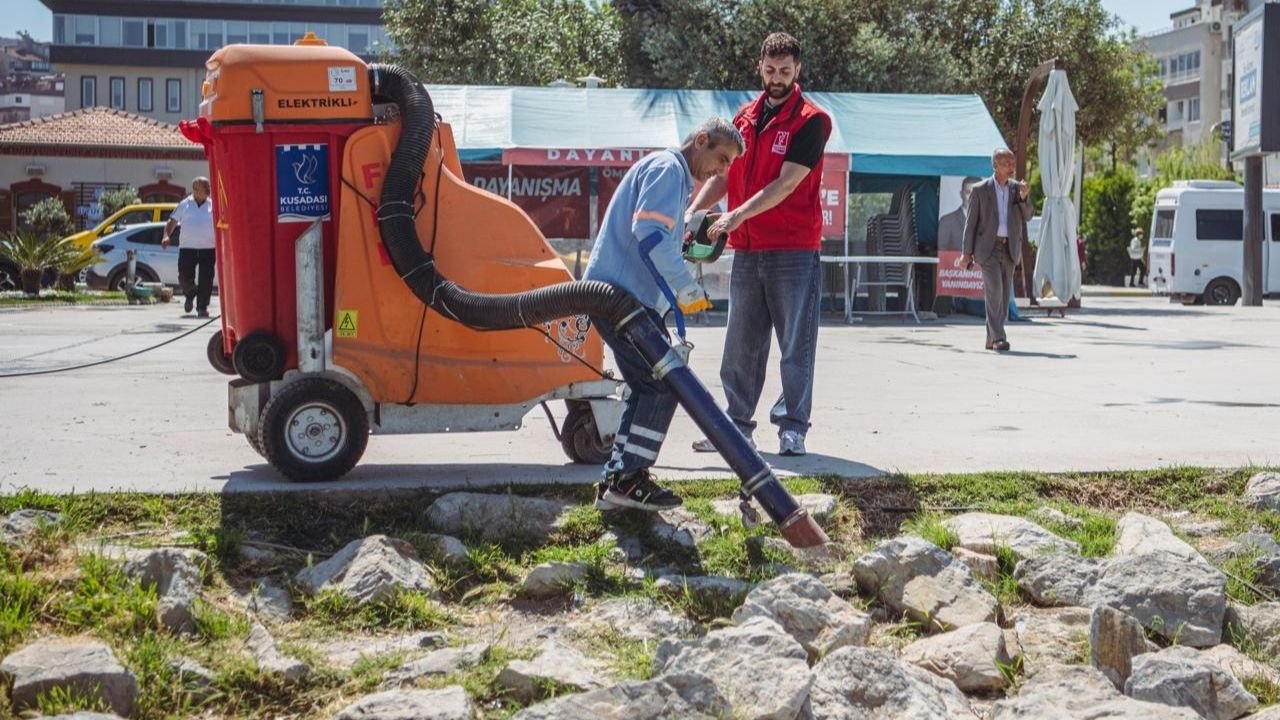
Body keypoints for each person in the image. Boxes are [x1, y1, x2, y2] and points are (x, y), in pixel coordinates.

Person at [583, 118, 743, 511]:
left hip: (624, 299)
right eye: (722, 159)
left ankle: (619, 480)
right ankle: (628, 479)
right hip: (622, 299)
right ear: (701, 140)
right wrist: (686, 288)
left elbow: (656, 237)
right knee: (660, 385)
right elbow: (650, 236)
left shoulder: (671, 176)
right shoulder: (668, 170)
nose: (721, 171)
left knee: (647, 386)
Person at [687, 32, 832, 457]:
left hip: (794, 250)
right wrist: (693, 212)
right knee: (740, 346)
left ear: (797, 70)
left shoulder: (812, 120)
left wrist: (736, 216)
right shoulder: (745, 117)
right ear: (759, 67)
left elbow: (786, 184)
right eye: (770, 70)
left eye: (785, 71)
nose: (777, 78)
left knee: (795, 346)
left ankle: (793, 427)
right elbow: (724, 174)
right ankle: (736, 428)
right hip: (748, 251)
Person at [960, 148, 1032, 352]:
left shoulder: (1018, 189)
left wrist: (1024, 198)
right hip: (988, 248)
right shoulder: (980, 190)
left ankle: (990, 338)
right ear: (995, 166)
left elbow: (1027, 216)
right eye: (1006, 163)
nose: (1011, 167)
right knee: (994, 293)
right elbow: (971, 224)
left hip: (1009, 247)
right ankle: (999, 337)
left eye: (1012, 163)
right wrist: (966, 253)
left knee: (1003, 295)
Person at [163, 177, 216, 318]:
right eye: (205, 187)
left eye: (208, 187)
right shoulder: (185, 204)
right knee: (184, 277)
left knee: (206, 279)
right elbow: (172, 221)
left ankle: (202, 307)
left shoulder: (213, 205)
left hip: (208, 248)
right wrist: (166, 236)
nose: (208, 190)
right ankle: (190, 292)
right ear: (196, 189)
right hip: (187, 248)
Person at [938, 177, 983, 252]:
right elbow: (941, 253)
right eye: (968, 192)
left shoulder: (991, 222)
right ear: (961, 194)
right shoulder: (946, 221)